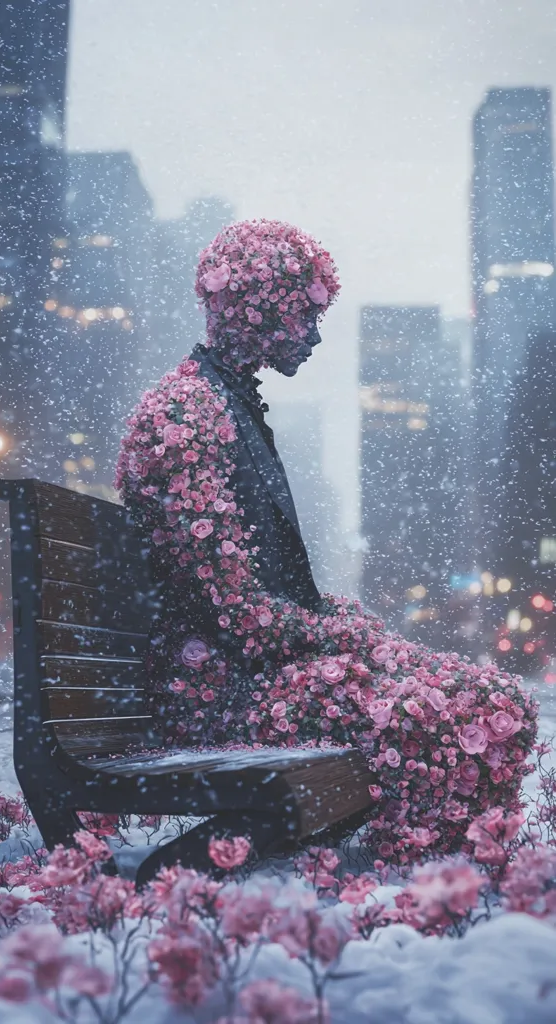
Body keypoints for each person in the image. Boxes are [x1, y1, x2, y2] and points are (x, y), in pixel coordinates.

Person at [116, 218, 537, 864]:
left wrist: (341, 626)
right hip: (221, 696)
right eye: (302, 315)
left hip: (253, 676)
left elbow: (249, 604)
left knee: (495, 699)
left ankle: (447, 863)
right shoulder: (188, 416)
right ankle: (433, 870)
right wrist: (348, 636)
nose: (314, 334)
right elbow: (240, 619)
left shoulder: (221, 403)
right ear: (258, 312)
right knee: (461, 712)